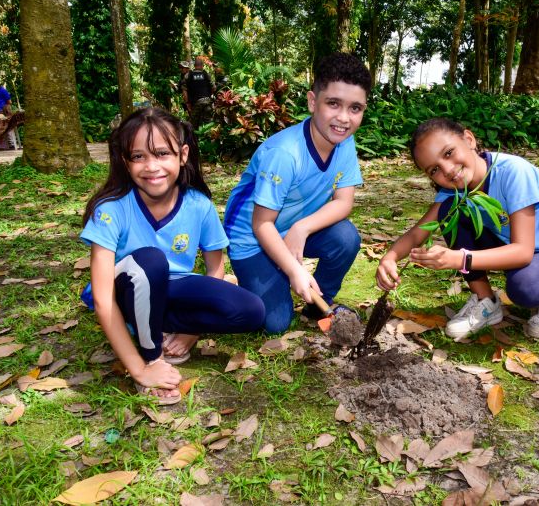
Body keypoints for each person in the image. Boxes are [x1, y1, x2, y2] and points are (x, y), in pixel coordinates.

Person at [80, 108, 265, 404]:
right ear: (125, 163)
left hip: (173, 287)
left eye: (162, 153)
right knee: (151, 261)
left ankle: (153, 327)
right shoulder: (111, 210)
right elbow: (103, 300)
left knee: (252, 310)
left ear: (183, 154)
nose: (152, 166)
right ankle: (151, 354)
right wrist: (141, 370)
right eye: (138, 156)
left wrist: (191, 331)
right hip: (124, 292)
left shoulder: (198, 205)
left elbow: (215, 270)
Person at [376, 118, 539, 341]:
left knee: (525, 287)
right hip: (514, 252)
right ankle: (486, 302)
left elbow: (523, 251)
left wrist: (460, 259)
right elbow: (417, 233)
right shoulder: (453, 192)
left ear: (469, 139)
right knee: (450, 211)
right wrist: (390, 258)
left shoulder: (512, 172)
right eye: (434, 170)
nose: (448, 170)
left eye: (449, 153)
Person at [224, 52, 370, 334]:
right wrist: (294, 270)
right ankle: (255, 279)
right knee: (275, 323)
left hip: (291, 229)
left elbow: (344, 203)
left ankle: (319, 304)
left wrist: (302, 229)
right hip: (252, 238)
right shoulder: (284, 153)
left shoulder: (345, 142)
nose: (344, 118)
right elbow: (261, 224)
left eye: (355, 108)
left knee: (346, 237)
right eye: (333, 104)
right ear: (313, 102)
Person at [183, 58, 215, 128]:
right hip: (207, 101)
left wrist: (187, 103)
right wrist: (209, 95)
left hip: (196, 103)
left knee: (193, 125)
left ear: (194, 66)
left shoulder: (188, 75)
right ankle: (209, 137)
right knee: (208, 123)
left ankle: (194, 138)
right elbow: (213, 88)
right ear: (202, 66)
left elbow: (184, 91)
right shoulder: (206, 74)